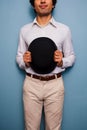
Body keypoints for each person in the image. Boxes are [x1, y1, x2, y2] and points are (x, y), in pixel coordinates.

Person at [16, 0, 75, 130]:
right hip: (31, 84)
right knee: (30, 128)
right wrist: (24, 60)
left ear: (53, 3)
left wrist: (62, 61)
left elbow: (71, 57)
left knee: (54, 128)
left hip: (55, 85)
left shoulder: (64, 29)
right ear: (33, 4)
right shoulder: (24, 30)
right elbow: (19, 57)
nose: (43, 1)